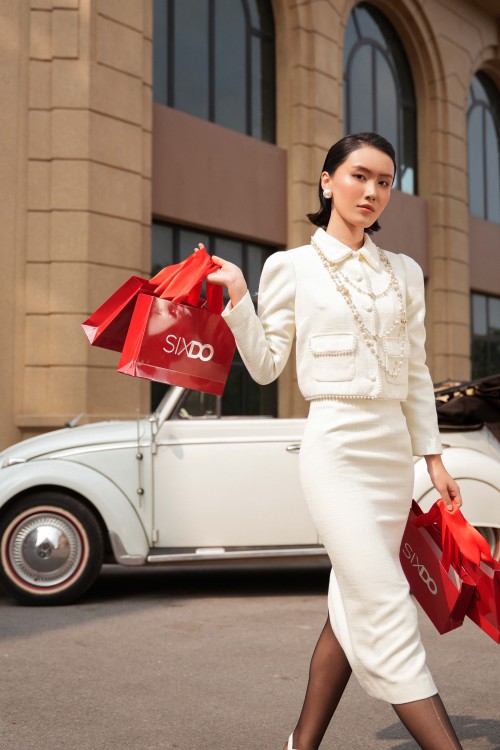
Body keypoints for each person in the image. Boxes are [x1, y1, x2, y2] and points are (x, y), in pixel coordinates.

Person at [204, 132, 464, 750]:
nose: (372, 191)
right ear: (327, 181)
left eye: (385, 181)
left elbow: (417, 372)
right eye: (358, 176)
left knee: (351, 608)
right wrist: (240, 299)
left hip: (389, 462)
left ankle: (301, 743)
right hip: (336, 453)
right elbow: (266, 366)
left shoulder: (404, 273)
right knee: (386, 606)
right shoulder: (291, 266)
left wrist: (432, 457)